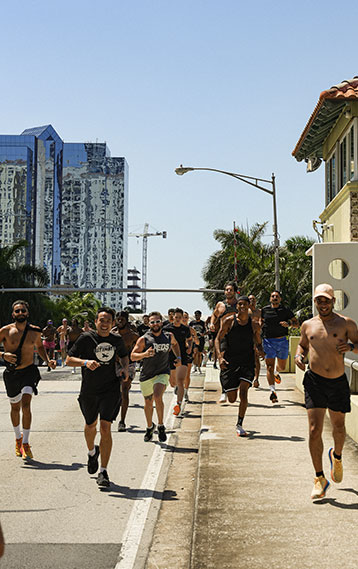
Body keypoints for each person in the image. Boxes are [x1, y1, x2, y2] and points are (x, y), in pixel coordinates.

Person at [295, 283, 358, 500]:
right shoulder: (307, 325)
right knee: (314, 429)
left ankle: (337, 456)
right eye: (318, 300)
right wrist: (298, 356)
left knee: (339, 427)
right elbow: (302, 346)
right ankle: (319, 478)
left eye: (326, 300)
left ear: (333, 301)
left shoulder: (346, 324)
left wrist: (350, 347)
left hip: (338, 382)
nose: (322, 304)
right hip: (314, 382)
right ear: (315, 302)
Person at [66, 307, 129, 488]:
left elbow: (124, 356)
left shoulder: (116, 340)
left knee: (105, 427)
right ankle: (92, 452)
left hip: (110, 388)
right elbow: (69, 359)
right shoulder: (86, 339)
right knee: (90, 425)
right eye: (102, 320)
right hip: (89, 390)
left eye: (108, 320)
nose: (105, 323)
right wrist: (85, 362)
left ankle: (103, 471)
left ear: (113, 323)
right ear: (96, 322)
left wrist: (124, 368)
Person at [0, 300, 56, 459]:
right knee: (15, 407)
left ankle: (25, 442)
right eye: (17, 311)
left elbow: (39, 347)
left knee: (26, 403)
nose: (20, 313)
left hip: (29, 371)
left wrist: (47, 360)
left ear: (27, 313)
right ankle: (17, 438)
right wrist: (3, 355)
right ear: (13, 314)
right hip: (11, 374)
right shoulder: (5, 331)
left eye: (22, 311)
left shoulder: (35, 331)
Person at [215, 295, 264, 436]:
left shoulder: (254, 324)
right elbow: (218, 339)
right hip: (231, 362)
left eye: (244, 305)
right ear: (237, 306)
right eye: (240, 304)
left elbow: (258, 342)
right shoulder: (229, 321)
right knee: (232, 398)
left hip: (247, 362)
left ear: (249, 306)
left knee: (244, 392)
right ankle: (228, 386)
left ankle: (240, 424)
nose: (241, 307)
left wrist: (261, 351)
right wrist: (219, 357)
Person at [131, 311, 181, 442]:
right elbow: (133, 356)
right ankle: (149, 427)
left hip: (162, 372)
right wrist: (144, 355)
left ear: (162, 322)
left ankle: (160, 425)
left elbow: (175, 345)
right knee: (148, 402)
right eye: (152, 322)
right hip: (147, 375)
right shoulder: (144, 339)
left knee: (158, 396)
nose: (155, 324)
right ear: (149, 324)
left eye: (157, 321)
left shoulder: (169, 336)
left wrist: (179, 357)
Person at [260, 290, 298, 404]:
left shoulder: (286, 311)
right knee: (269, 367)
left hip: (282, 341)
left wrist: (289, 324)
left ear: (280, 299)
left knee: (281, 367)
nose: (274, 298)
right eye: (273, 296)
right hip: (268, 341)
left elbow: (297, 324)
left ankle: (277, 373)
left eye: (277, 296)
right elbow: (259, 323)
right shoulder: (264, 310)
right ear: (270, 299)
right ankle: (273, 392)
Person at [209, 281, 239, 403]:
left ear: (235, 291)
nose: (228, 292)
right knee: (223, 363)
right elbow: (214, 315)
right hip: (224, 338)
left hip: (237, 338)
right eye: (226, 290)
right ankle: (224, 391)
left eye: (230, 290)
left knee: (237, 365)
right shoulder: (220, 305)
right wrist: (211, 323)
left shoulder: (240, 305)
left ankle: (233, 388)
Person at [112, 311, 140, 432]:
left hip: (129, 364)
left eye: (122, 319)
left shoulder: (132, 335)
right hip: (114, 364)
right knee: (116, 392)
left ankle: (122, 421)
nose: (120, 321)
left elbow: (140, 347)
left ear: (126, 320)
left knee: (124, 389)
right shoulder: (111, 333)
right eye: (118, 319)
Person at [164, 308, 192, 415]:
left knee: (181, 381)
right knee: (173, 382)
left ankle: (178, 405)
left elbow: (189, 339)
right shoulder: (166, 329)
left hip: (183, 356)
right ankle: (176, 388)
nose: (178, 319)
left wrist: (189, 346)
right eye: (176, 317)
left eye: (180, 317)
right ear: (172, 317)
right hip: (170, 356)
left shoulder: (185, 329)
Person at [182, 311, 199, 401]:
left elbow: (197, 342)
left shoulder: (191, 330)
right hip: (178, 353)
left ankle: (185, 392)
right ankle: (178, 386)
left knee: (187, 374)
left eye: (186, 317)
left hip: (188, 353)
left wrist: (194, 337)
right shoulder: (175, 329)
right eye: (183, 317)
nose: (184, 319)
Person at [248, 294, 262, 388]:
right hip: (246, 337)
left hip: (257, 338)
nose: (252, 300)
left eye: (253, 299)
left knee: (256, 359)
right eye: (250, 299)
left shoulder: (259, 312)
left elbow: (261, 323)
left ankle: (256, 379)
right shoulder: (245, 311)